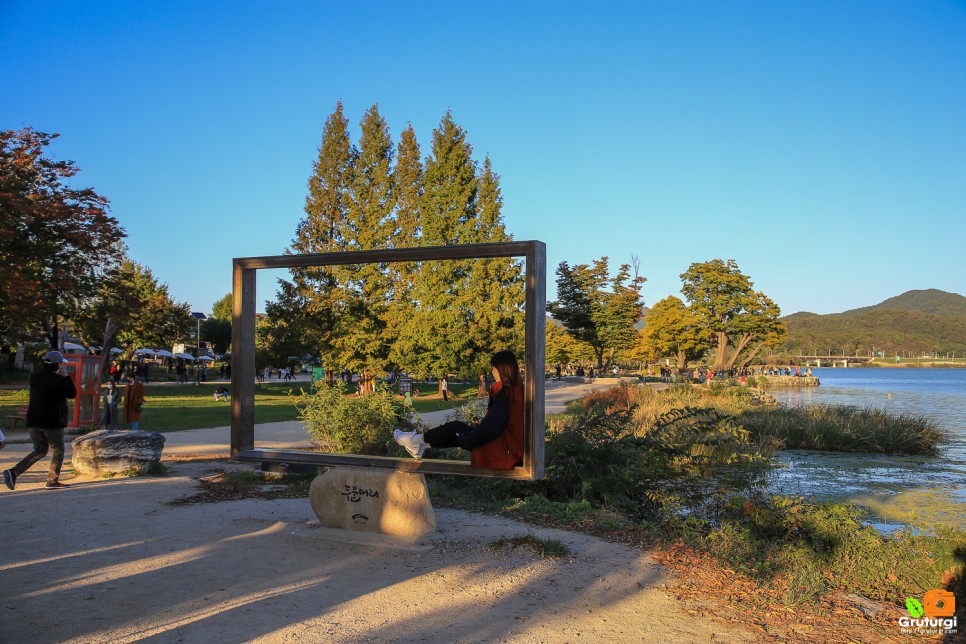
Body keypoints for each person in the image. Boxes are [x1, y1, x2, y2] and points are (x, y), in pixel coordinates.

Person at [394, 350, 524, 469]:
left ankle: (415, 441)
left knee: (456, 428)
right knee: (458, 431)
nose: (492, 372)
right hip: (509, 447)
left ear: (502, 369)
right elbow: (496, 425)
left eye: (493, 368)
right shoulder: (515, 390)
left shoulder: (505, 395)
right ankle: (421, 443)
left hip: (504, 452)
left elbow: (490, 429)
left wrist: (466, 439)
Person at [3, 351, 77, 490]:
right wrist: (66, 376)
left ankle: (14, 472)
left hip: (34, 421)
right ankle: (52, 480)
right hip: (52, 422)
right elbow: (72, 393)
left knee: (40, 450)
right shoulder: (58, 380)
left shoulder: (35, 377)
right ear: (59, 364)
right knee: (58, 450)